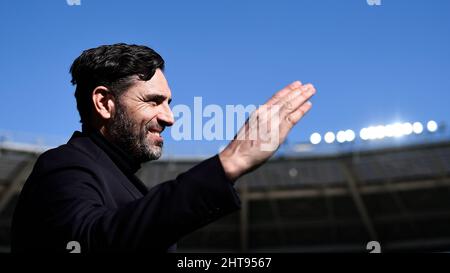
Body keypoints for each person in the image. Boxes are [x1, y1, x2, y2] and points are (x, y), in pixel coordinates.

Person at [11, 43, 316, 252]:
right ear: (104, 103)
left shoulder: (124, 181)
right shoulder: (65, 164)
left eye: (169, 103)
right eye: (153, 101)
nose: (169, 118)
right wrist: (228, 164)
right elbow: (89, 241)